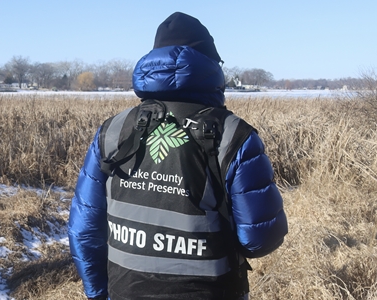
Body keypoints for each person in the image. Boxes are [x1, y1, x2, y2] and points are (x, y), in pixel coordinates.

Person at [68, 12, 288, 300]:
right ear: (210, 65)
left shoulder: (113, 131)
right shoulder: (234, 135)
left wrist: (98, 293)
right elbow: (260, 239)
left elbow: (83, 231)